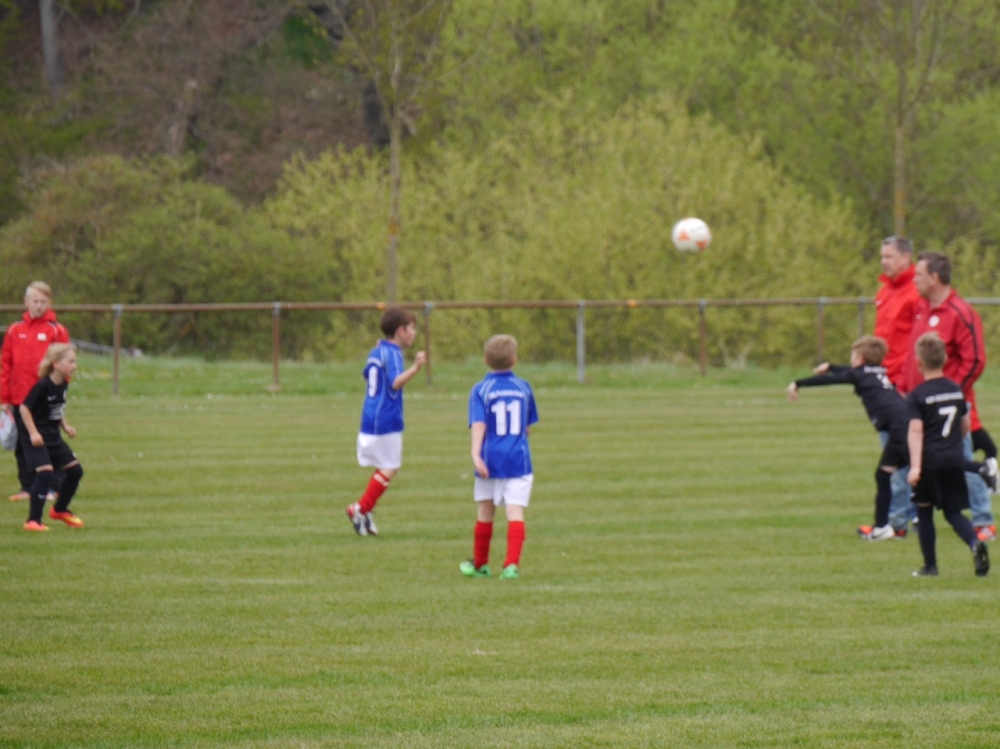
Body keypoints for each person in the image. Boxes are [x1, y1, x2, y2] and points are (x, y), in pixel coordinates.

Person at [900, 252, 996, 542]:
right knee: (923, 459)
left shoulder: (960, 312)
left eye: (919, 274)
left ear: (935, 277)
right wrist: (904, 384)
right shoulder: (921, 308)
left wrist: (951, 393)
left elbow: (975, 360)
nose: (914, 280)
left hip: (949, 405)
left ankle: (983, 521)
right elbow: (912, 354)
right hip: (919, 401)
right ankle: (919, 512)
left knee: (959, 457)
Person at [788, 336, 913, 541]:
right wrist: (831, 367)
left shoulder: (861, 374)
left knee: (890, 475)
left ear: (860, 358)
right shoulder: (878, 372)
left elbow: (833, 379)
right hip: (907, 425)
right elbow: (850, 373)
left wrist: (798, 383)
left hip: (900, 429)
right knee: (910, 471)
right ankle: (891, 525)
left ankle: (883, 527)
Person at [905, 333, 989, 577]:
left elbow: (916, 431)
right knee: (953, 512)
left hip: (929, 462)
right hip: (954, 459)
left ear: (919, 362)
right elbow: (965, 424)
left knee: (924, 510)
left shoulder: (918, 394)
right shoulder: (955, 389)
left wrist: (915, 467)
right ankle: (974, 542)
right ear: (945, 359)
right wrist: (953, 444)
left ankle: (930, 566)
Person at [461, 334, 539, 580]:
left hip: (489, 460)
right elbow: (527, 427)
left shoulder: (481, 389)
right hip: (518, 460)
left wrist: (475, 453)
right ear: (514, 360)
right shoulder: (523, 388)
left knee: (485, 510)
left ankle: (481, 564)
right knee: (515, 511)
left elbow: (479, 424)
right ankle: (511, 565)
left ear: (485, 360)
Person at [345, 307, 426, 537]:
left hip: (370, 414)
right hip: (386, 417)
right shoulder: (393, 353)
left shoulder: (377, 350)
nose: (414, 333)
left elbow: (367, 375)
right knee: (390, 466)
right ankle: (360, 508)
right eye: (411, 329)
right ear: (400, 331)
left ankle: (366, 511)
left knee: (385, 466)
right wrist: (416, 368)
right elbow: (395, 382)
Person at [871, 237, 923, 534]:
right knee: (900, 449)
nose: (883, 262)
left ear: (906, 257)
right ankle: (912, 511)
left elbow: (916, 343)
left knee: (896, 451)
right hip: (885, 380)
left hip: (903, 384)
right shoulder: (884, 292)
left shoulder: (915, 292)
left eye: (889, 256)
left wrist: (905, 381)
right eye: (882, 256)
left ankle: (898, 519)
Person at [1, 282, 70, 503]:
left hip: (45, 398)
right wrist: (4, 397)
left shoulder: (56, 330)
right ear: (26, 302)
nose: (39, 305)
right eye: (35, 301)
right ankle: (27, 486)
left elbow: (65, 363)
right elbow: (5, 364)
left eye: (43, 302)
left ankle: (53, 486)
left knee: (49, 441)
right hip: (20, 398)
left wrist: (59, 392)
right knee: (23, 445)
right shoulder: (15, 330)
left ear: (49, 303)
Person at [19, 343, 85, 531]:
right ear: (56, 363)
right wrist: (33, 433)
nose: (74, 366)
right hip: (35, 436)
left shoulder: (63, 383)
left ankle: (60, 510)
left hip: (53, 435)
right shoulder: (43, 385)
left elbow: (56, 409)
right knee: (45, 472)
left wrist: (65, 426)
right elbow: (24, 408)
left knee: (75, 471)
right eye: (70, 362)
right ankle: (33, 521)